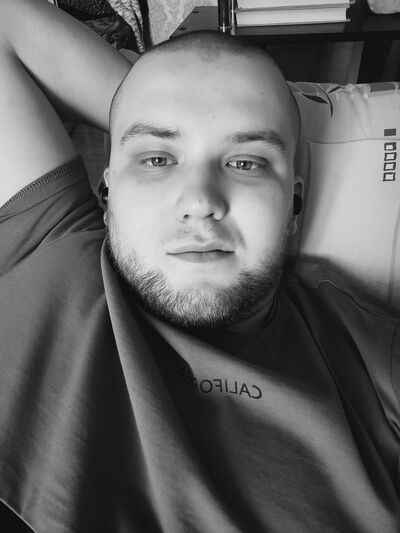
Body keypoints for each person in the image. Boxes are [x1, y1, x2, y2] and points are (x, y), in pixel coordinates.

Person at [0, 1, 399, 532]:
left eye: (246, 162)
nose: (200, 201)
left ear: (293, 206)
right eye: (157, 160)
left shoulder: (371, 358)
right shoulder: (51, 254)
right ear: (109, 194)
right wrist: (153, 92)